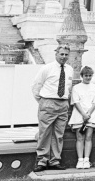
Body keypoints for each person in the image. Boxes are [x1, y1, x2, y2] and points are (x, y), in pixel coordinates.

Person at [31, 44, 73, 172]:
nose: (64, 57)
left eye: (66, 54)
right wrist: (43, 101)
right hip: (48, 102)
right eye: (61, 54)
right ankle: (42, 160)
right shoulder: (47, 68)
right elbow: (36, 86)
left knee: (59, 134)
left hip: (63, 104)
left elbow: (69, 88)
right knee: (44, 132)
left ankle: (55, 160)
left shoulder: (70, 69)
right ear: (56, 54)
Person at [69, 65, 95, 169]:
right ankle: (80, 160)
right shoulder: (76, 87)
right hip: (79, 115)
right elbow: (76, 102)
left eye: (90, 75)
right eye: (86, 75)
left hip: (90, 115)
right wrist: (83, 114)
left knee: (88, 137)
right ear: (82, 76)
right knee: (79, 137)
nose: (88, 77)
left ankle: (86, 160)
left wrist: (88, 114)